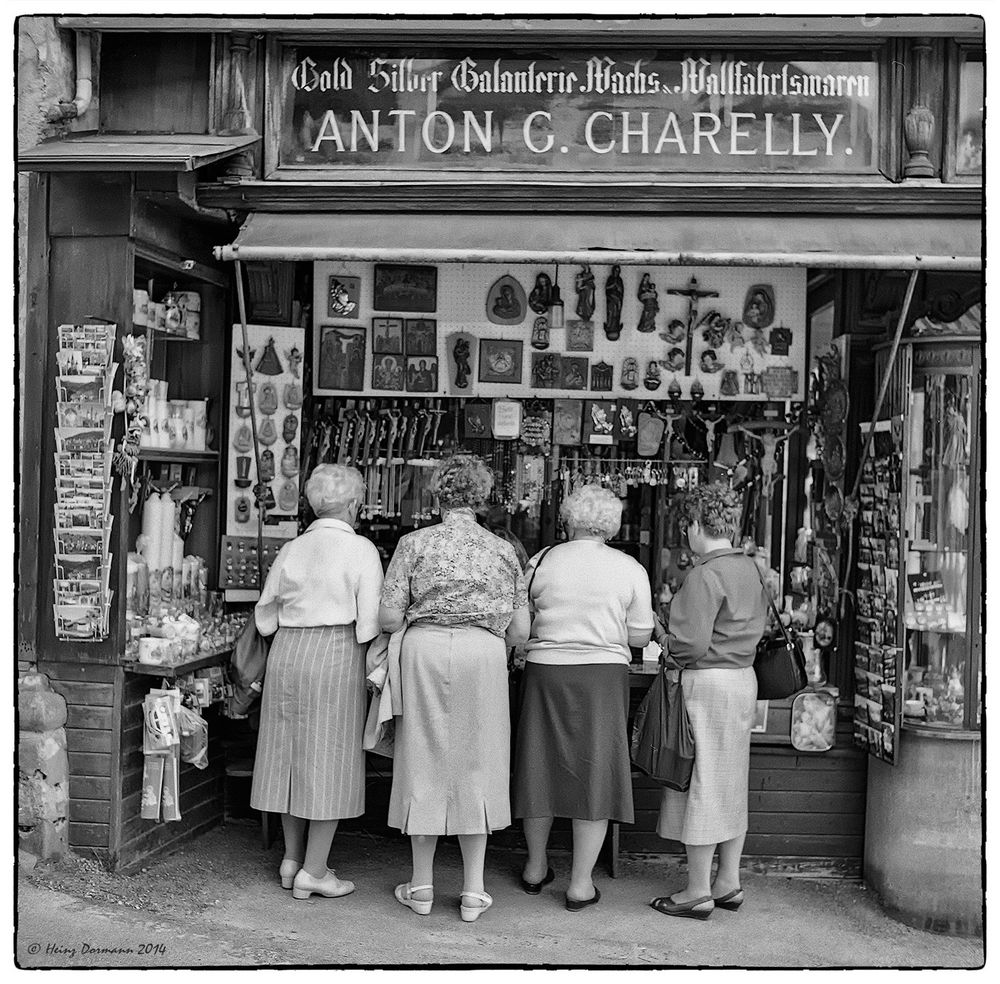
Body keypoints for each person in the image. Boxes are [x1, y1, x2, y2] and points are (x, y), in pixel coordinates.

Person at [379, 455, 530, 923]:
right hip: (482, 654)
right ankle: (472, 890)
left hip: (423, 650)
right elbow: (520, 631)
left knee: (422, 756)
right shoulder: (502, 551)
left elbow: (387, 617)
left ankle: (421, 886)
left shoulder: (414, 543)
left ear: (436, 493)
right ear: (482, 496)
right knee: (478, 760)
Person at [512, 484, 653, 911]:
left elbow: (520, 625)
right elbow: (640, 635)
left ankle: (535, 869)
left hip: (545, 673)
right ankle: (579, 884)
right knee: (595, 774)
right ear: (611, 524)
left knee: (538, 765)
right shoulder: (628, 567)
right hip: (602, 677)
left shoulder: (542, 561)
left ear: (568, 519)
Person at [250, 464, 384, 901]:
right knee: (330, 758)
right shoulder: (361, 549)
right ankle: (315, 869)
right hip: (336, 651)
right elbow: (370, 624)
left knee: (288, 754)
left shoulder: (293, 548)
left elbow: (265, 616)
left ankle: (291, 859)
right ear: (352, 504)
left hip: (287, 652)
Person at [649, 482, 768, 920]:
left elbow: (688, 646)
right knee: (730, 780)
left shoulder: (703, 574)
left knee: (702, 781)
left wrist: (661, 634)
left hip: (708, 683)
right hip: (742, 680)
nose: (686, 534)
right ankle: (728, 881)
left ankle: (696, 889)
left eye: (687, 526)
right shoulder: (750, 568)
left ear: (697, 525)